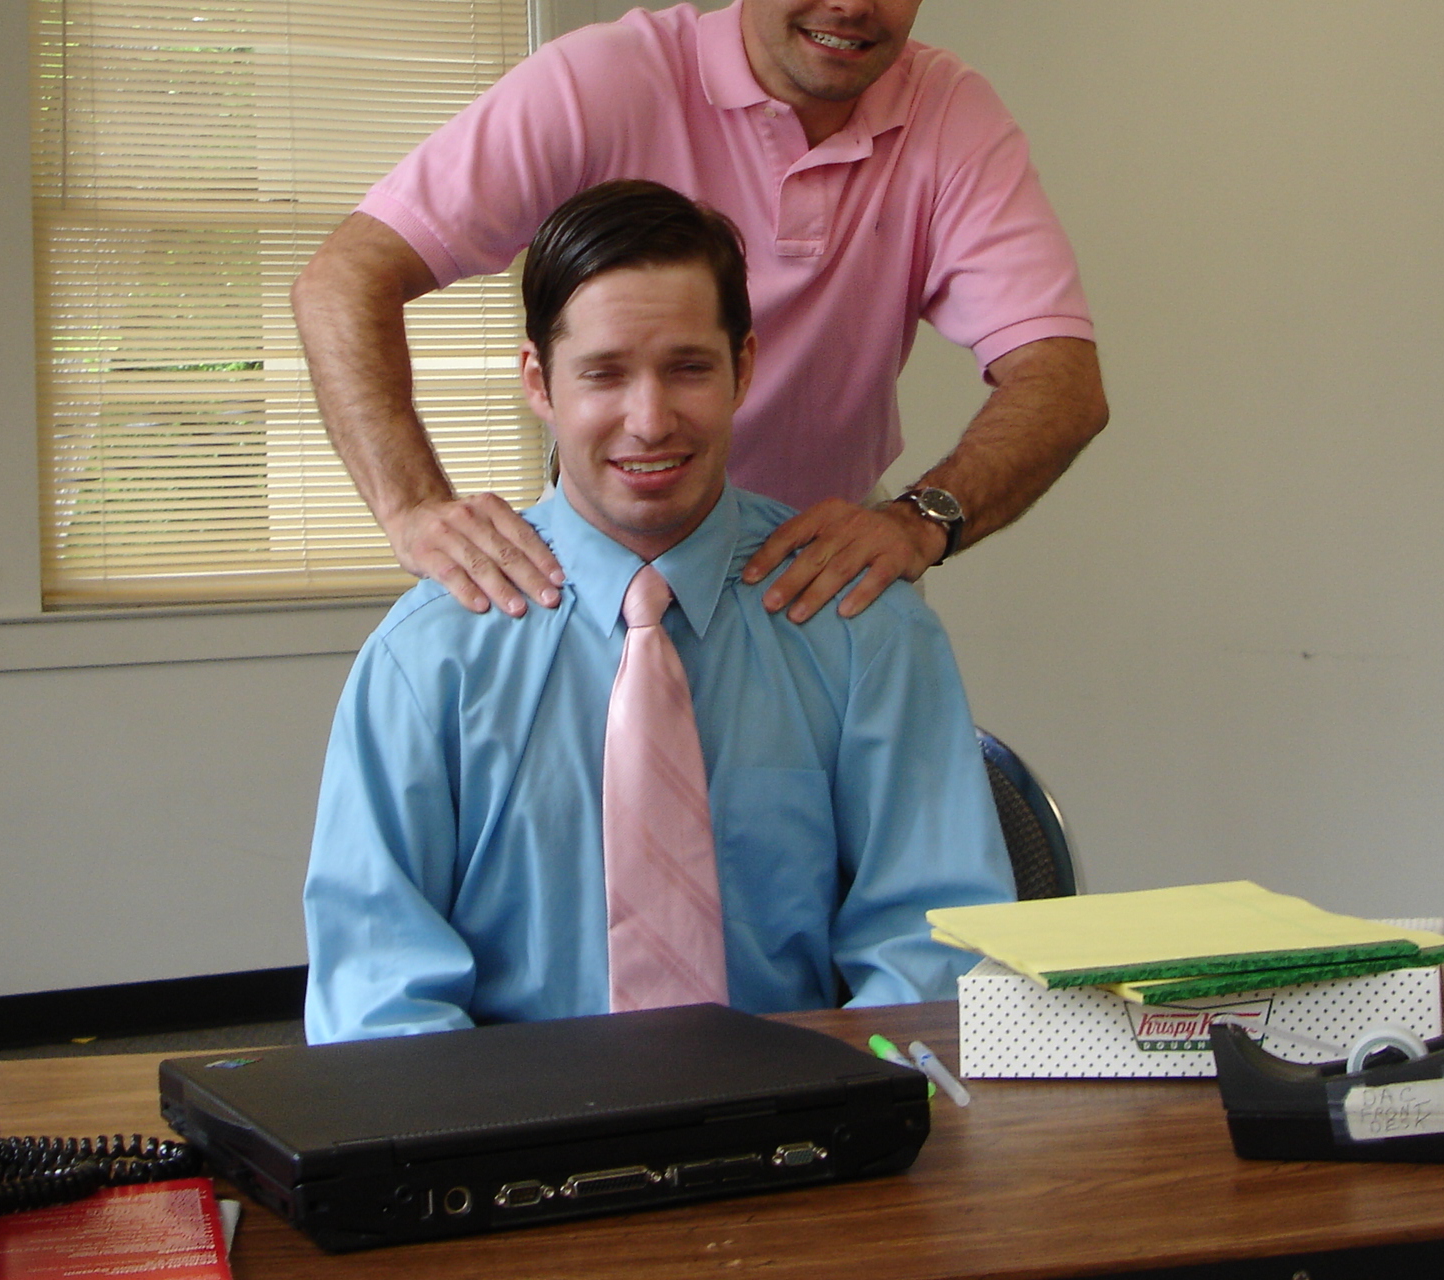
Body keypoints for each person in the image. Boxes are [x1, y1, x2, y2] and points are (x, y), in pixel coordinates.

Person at [292, 0, 1108, 629]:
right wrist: (413, 508)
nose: (851, 0)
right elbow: (344, 276)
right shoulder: (603, 80)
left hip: (819, 571)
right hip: (604, 565)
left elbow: (1062, 381)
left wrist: (919, 520)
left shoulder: (950, 111)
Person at [301, 181, 1014, 1043]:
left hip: (808, 1102)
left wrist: (843, 1103)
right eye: (604, 374)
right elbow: (378, 996)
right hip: (518, 1115)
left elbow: (933, 953)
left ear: (744, 368)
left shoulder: (864, 627)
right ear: (538, 381)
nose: (650, 421)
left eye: (688, 369)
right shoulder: (431, 654)